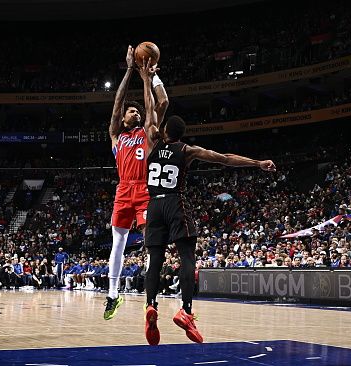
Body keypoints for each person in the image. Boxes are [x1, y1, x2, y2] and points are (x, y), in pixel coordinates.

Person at [138, 61, 276, 345]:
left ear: (164, 132)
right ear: (181, 134)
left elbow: (150, 107)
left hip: (153, 206)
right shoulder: (187, 150)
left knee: (155, 261)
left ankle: (151, 304)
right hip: (175, 202)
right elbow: (223, 158)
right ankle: (186, 311)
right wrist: (257, 163)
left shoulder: (151, 141)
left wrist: (147, 78)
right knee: (187, 257)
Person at [104, 45, 169, 320]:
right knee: (117, 242)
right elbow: (117, 106)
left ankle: (150, 295)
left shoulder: (148, 134)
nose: (135, 114)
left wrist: (146, 78)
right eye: (132, 112)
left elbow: (154, 106)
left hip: (144, 188)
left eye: (136, 112)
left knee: (149, 240)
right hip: (123, 188)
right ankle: (112, 294)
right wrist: (129, 69)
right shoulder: (117, 136)